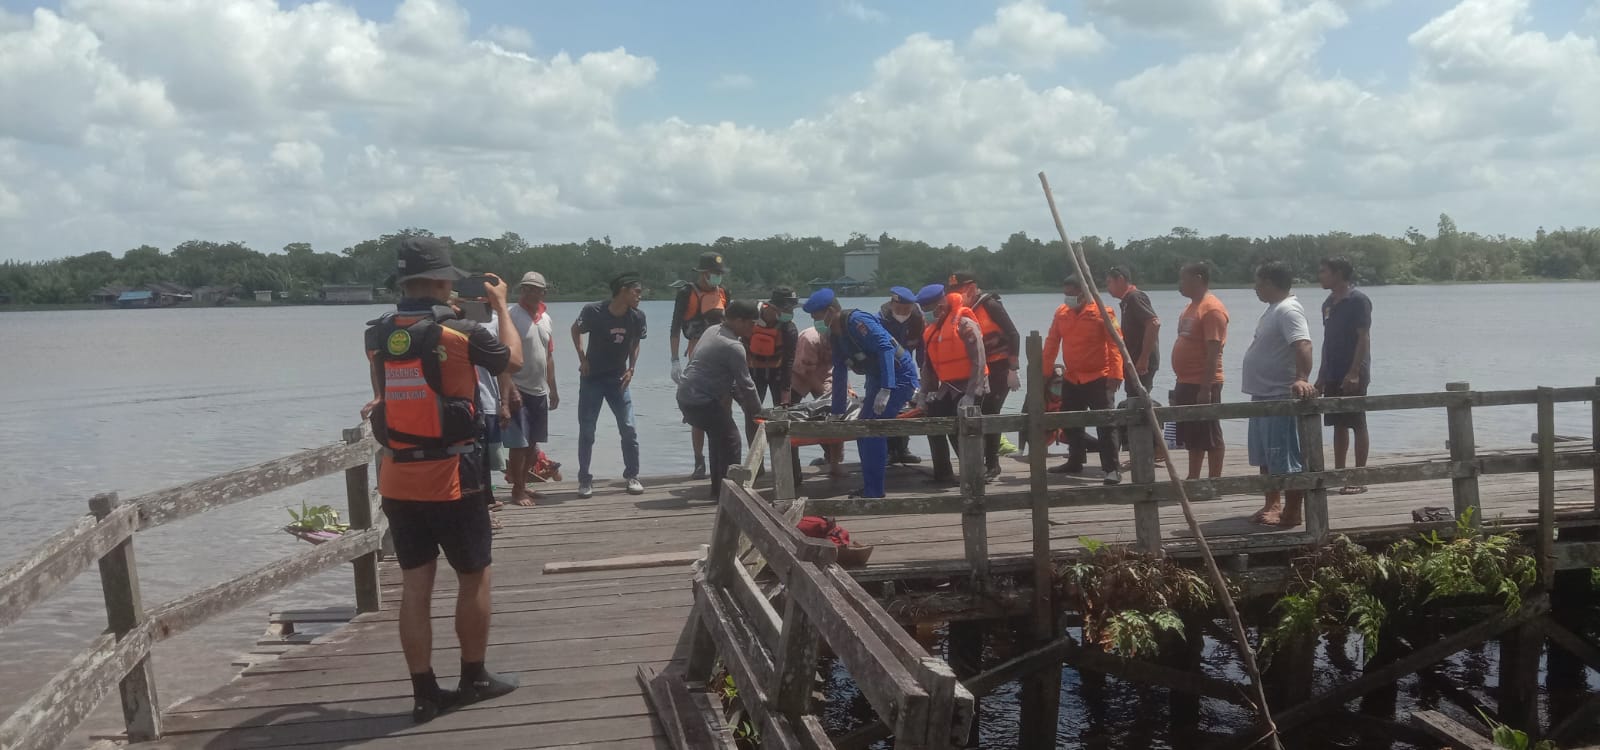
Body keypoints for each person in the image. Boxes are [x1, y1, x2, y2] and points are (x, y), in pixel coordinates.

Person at [360, 237, 523, 723]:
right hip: (454, 476)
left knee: (416, 586)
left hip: (397, 477)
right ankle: (473, 677)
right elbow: (513, 361)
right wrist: (500, 306)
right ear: (439, 281)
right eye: (450, 278)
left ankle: (424, 692)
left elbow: (381, 394)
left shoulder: (376, 336)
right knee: (474, 577)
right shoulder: (461, 332)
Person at [804, 288, 919, 499]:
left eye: (816, 316)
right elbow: (839, 370)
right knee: (862, 430)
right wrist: (837, 412)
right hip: (876, 379)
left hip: (899, 377)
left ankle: (874, 491)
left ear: (830, 311)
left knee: (873, 432)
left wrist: (887, 388)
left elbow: (885, 349)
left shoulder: (857, 321)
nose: (815, 321)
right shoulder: (835, 335)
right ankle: (870, 487)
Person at [1242, 261, 1318, 527]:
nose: (1255, 288)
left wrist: (1301, 378)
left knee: (1286, 458)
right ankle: (1272, 504)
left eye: (1259, 282)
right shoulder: (1273, 310)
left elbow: (1303, 344)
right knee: (1265, 457)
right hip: (1262, 395)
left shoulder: (1288, 310)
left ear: (1271, 283)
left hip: (1279, 396)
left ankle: (1292, 512)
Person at [1042, 276, 1126, 485]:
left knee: (1105, 424)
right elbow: (1052, 342)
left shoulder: (1103, 312)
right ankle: (1075, 459)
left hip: (1100, 376)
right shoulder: (1062, 313)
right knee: (1070, 421)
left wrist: (1117, 374)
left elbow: (1116, 344)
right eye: (1066, 293)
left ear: (1082, 293)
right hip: (1072, 377)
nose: (1068, 298)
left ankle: (1112, 469)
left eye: (1071, 294)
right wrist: (1043, 372)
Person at [571, 272, 648, 499]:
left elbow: (635, 343)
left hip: (618, 379)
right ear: (623, 291)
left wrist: (631, 368)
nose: (640, 297)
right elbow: (575, 330)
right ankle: (585, 479)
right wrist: (582, 358)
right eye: (637, 292)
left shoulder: (637, 317)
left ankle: (632, 475)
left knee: (629, 428)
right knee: (587, 431)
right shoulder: (593, 311)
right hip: (592, 378)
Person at [679, 301, 764, 499]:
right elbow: (747, 385)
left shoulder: (713, 330)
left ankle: (719, 491)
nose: (754, 327)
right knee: (731, 439)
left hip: (686, 396)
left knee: (718, 438)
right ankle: (731, 495)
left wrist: (747, 406)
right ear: (738, 321)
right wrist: (760, 413)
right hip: (700, 400)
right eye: (751, 323)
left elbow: (732, 383)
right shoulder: (733, 346)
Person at [948, 272, 1020, 480]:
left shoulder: (990, 305)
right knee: (977, 413)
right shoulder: (962, 311)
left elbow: (1013, 334)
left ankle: (992, 464)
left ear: (971, 288)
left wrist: (1013, 368)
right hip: (981, 369)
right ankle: (979, 461)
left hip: (1001, 368)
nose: (956, 295)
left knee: (991, 412)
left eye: (959, 290)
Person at [670, 252, 731, 480]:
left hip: (723, 354)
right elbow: (675, 326)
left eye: (719, 274)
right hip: (697, 354)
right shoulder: (687, 293)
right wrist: (674, 359)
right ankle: (698, 460)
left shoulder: (724, 292)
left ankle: (722, 458)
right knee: (699, 410)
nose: (717, 278)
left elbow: (733, 323)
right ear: (703, 273)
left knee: (724, 405)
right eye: (714, 274)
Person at [915, 291, 986, 485]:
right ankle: (943, 473)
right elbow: (928, 368)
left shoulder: (965, 324)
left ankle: (973, 473)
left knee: (963, 428)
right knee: (933, 421)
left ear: (939, 306)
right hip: (947, 387)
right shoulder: (932, 330)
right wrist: (923, 394)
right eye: (922, 309)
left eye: (927, 308)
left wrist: (972, 394)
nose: (924, 313)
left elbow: (979, 360)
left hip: (971, 385)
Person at [1316, 256, 1373, 495]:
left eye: (1324, 272)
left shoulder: (1358, 300)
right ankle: (1340, 474)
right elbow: (1327, 341)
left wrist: (1353, 372)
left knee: (1357, 422)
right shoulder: (1328, 303)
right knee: (1337, 424)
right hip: (1332, 371)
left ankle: (1359, 477)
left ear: (1338, 273)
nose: (1320, 276)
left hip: (1353, 372)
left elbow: (1363, 338)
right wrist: (1321, 375)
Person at [1170, 262, 1230, 480]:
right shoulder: (1191, 307)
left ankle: (1214, 481)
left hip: (1203, 382)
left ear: (1197, 279)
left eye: (1183, 279)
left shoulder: (1212, 308)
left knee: (1210, 433)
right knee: (1193, 434)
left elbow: (1213, 351)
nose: (1180, 284)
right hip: (1185, 380)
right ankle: (1193, 478)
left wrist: (1206, 388)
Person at [505, 272, 559, 507]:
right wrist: (509, 387)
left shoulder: (546, 318)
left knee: (532, 444)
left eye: (535, 289)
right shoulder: (510, 315)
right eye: (526, 288)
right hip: (517, 388)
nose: (529, 292)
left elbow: (548, 356)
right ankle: (517, 491)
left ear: (543, 293)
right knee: (518, 444)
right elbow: (502, 355)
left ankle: (524, 484)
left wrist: (553, 389)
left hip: (539, 390)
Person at [879, 285, 930, 465]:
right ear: (892, 304)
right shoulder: (882, 318)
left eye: (906, 309)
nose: (903, 313)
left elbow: (922, 351)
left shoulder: (916, 318)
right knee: (885, 409)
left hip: (907, 369)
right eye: (899, 309)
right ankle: (886, 451)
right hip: (883, 369)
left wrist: (924, 377)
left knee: (907, 406)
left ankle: (902, 449)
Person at [790, 315, 845, 478]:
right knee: (789, 413)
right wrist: (822, 392)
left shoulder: (843, 336)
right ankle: (792, 466)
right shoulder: (810, 338)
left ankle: (834, 461)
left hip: (826, 371)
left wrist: (836, 394)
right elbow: (806, 372)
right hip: (800, 372)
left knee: (837, 411)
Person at [743, 288, 801, 442]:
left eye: (792, 309)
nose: (790, 313)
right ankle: (756, 461)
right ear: (773, 307)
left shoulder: (789, 329)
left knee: (782, 415)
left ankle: (788, 460)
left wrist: (785, 394)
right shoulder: (750, 316)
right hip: (753, 372)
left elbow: (789, 362)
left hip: (778, 374)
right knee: (752, 416)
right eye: (787, 309)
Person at [1105, 266, 1161, 397]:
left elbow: (1153, 324)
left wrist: (1144, 358)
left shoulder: (1134, 297)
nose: (1107, 288)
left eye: (1109, 283)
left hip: (1141, 363)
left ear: (1120, 280)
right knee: (1133, 398)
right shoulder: (1127, 301)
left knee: (1138, 401)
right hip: (1134, 361)